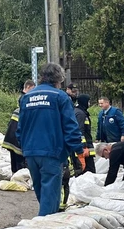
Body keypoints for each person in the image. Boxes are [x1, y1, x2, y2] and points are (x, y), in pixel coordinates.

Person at [16, 63, 83, 217]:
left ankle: (44, 220)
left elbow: (20, 127)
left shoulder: (27, 97)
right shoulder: (60, 97)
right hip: (52, 151)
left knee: (41, 191)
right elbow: (70, 126)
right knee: (51, 193)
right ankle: (45, 227)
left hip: (31, 151)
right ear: (58, 79)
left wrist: (25, 146)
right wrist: (78, 150)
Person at [2, 79, 34, 173]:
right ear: (27, 87)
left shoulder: (19, 107)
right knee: (20, 160)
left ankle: (15, 175)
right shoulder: (25, 99)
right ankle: (19, 177)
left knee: (14, 159)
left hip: (11, 136)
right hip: (17, 137)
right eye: (32, 89)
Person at [71, 90, 96, 174]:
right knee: (88, 171)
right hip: (84, 148)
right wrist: (84, 146)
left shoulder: (79, 112)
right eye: (88, 101)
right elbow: (80, 130)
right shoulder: (80, 114)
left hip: (83, 147)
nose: (89, 103)